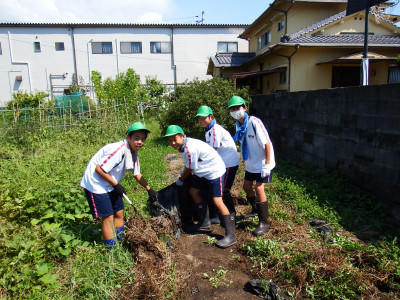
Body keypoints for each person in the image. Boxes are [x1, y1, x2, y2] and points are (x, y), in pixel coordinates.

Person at [80, 122, 157, 250]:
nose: (140, 142)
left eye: (143, 139)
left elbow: (137, 174)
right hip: (96, 184)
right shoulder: (119, 150)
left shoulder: (133, 153)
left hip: (110, 183)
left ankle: (120, 240)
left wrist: (149, 189)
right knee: (108, 216)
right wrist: (116, 185)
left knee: (119, 212)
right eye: (136, 138)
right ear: (128, 137)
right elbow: (98, 169)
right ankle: (112, 250)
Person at [164, 125, 237, 248]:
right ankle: (204, 221)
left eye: (175, 139)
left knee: (217, 200)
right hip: (202, 170)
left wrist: (180, 180)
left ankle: (231, 235)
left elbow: (189, 169)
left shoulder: (189, 148)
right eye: (170, 140)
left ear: (182, 136)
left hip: (214, 171)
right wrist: (181, 176)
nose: (172, 143)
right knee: (193, 191)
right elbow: (188, 165)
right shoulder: (184, 146)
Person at [227, 96, 276, 236]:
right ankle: (255, 209)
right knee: (246, 187)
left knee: (259, 188)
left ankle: (264, 223)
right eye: (232, 109)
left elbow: (266, 143)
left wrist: (267, 165)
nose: (235, 111)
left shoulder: (254, 122)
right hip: (251, 163)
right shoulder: (238, 126)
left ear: (245, 108)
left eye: (237, 108)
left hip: (262, 163)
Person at [196, 105, 240, 223]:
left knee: (224, 190)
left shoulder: (215, 130)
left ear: (211, 117)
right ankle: (219, 215)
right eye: (199, 119)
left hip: (229, 163)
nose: (201, 121)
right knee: (217, 190)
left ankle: (231, 215)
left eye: (204, 118)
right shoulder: (208, 130)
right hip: (221, 163)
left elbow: (212, 151)